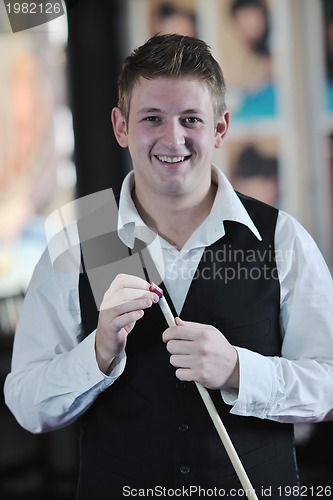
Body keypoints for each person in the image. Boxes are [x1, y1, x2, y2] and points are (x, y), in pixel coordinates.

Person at [4, 34, 333, 499]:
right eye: (151, 118)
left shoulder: (280, 237)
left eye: (191, 119)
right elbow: (26, 405)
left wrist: (240, 370)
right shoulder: (84, 241)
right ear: (121, 126)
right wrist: (96, 355)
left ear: (220, 128)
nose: (172, 138)